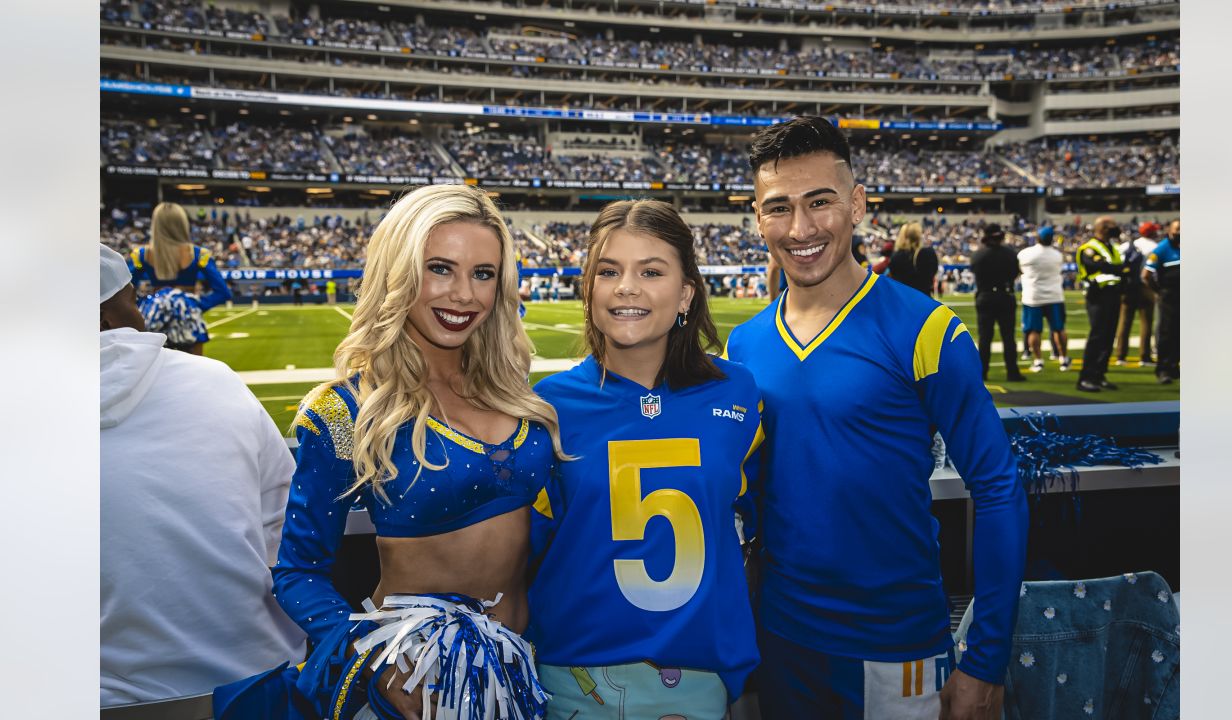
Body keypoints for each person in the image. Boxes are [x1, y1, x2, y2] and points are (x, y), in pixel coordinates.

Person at [727, 117, 1026, 720]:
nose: (802, 228)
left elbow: (997, 489)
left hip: (897, 644)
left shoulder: (926, 329)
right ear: (758, 218)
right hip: (782, 641)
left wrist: (986, 658)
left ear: (858, 204)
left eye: (821, 203)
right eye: (779, 208)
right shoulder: (744, 345)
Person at [268, 185, 569, 719]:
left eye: (483, 274)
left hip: (528, 676)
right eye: (439, 268)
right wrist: (377, 667)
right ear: (399, 272)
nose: (464, 295)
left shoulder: (516, 390)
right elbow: (298, 572)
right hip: (419, 692)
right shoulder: (346, 411)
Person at [528, 200, 763, 720]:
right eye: (608, 271)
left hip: (698, 679)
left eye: (650, 272)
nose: (626, 287)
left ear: (685, 294)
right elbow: (524, 550)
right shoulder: (549, 406)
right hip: (573, 679)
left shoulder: (740, 394)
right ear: (588, 288)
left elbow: (760, 528)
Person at [99, 244, 306, 706]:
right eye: (134, 300)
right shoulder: (215, 381)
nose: (146, 311)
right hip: (256, 682)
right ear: (107, 318)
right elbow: (288, 530)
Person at [127, 202, 232, 355]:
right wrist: (193, 304)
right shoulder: (199, 254)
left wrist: (148, 304)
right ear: (182, 224)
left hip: (155, 320)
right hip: (188, 319)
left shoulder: (142, 254)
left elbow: (123, 291)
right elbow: (223, 292)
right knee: (193, 373)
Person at [1075, 215, 1128, 392]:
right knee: (1097, 336)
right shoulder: (1089, 248)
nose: (1116, 228)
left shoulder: (1112, 247)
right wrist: (1119, 269)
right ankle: (1086, 377)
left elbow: (1121, 267)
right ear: (1103, 228)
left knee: (1108, 336)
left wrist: (1119, 269)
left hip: (1113, 294)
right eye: (1113, 225)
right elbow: (1106, 267)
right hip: (1097, 295)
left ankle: (1099, 374)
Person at [970, 223, 1026, 383]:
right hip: (1005, 295)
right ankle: (1012, 372)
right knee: (1008, 337)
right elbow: (1015, 273)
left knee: (985, 337)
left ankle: (983, 372)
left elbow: (975, 271)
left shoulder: (978, 255)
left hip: (985, 296)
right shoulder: (1010, 253)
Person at [1018, 226, 1071, 372]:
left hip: (1033, 297)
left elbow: (1019, 269)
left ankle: (1038, 360)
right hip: (1054, 296)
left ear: (1038, 238)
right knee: (1059, 329)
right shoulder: (1057, 255)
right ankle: (1063, 359)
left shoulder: (1026, 254)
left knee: (1034, 330)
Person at [1113, 221, 1160, 367]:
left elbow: (1118, 264)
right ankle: (1144, 357)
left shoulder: (1127, 245)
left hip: (1128, 287)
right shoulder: (1155, 247)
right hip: (1145, 286)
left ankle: (1121, 356)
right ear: (1152, 233)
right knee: (1146, 323)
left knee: (1124, 322)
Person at [1144, 219, 1180, 384]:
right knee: (1166, 333)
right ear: (1169, 230)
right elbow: (1146, 275)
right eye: (1177, 229)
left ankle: (1174, 367)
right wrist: (1159, 291)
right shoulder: (1162, 249)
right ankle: (1163, 369)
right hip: (1169, 297)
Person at [886, 221, 940, 297]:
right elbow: (933, 273)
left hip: (903, 301)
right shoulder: (929, 253)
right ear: (919, 236)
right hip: (924, 302)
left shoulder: (896, 256)